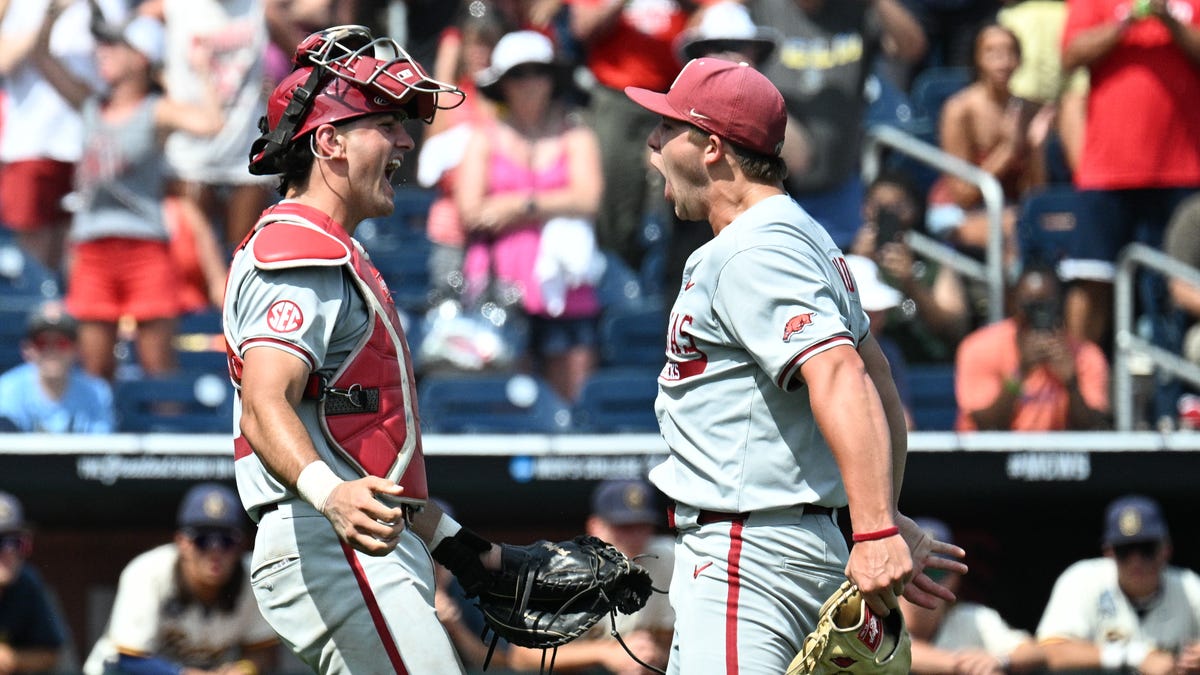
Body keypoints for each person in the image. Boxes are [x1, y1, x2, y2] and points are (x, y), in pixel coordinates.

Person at [623, 57, 965, 672]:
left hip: (746, 555)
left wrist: (876, 528)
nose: (651, 143)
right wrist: (877, 513)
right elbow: (878, 383)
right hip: (794, 542)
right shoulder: (807, 236)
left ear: (711, 147)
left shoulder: (751, 248)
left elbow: (841, 374)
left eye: (667, 127)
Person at [224, 24, 535, 674]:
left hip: (358, 539)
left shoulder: (334, 250)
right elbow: (263, 403)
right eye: (385, 123)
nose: (403, 140)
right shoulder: (299, 249)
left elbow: (362, 452)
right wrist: (328, 495)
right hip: (331, 539)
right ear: (329, 141)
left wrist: (458, 547)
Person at [32, 7, 223, 382]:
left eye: (114, 45)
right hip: (92, 249)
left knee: (158, 367)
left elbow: (211, 124)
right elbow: (42, 57)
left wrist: (202, 70)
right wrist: (50, 16)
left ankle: (168, 438)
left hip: (145, 247)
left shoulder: (155, 111)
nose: (102, 50)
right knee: (95, 367)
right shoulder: (89, 104)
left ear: (140, 58)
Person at [456, 29, 605, 403]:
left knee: (575, 399)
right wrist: (557, 201)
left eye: (537, 71)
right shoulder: (483, 137)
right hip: (499, 288)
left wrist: (514, 206)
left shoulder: (577, 135)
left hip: (568, 291)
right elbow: (471, 212)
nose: (529, 83)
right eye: (518, 74)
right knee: (506, 404)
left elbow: (589, 199)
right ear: (503, 83)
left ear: (552, 78)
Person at [1058, 0, 1200, 356]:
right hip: (1107, 171)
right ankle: (1080, 385)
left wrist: (1168, 20)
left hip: (1180, 170)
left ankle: (1176, 394)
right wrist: (1127, 21)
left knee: (1179, 286)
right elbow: (1072, 54)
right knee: (1092, 280)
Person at [748, 0, 928, 250]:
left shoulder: (857, 12)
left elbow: (912, 48)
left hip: (840, 185)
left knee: (847, 276)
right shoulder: (763, 8)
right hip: (774, 186)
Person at [83, 483, 278, 675]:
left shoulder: (254, 575)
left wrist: (246, 668)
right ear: (182, 543)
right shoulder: (148, 571)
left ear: (241, 545)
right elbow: (128, 657)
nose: (215, 551)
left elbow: (261, 648)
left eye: (226, 540)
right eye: (203, 540)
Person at [0, 0, 126, 273]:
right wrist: (52, 13)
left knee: (84, 254)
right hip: (32, 146)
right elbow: (5, 61)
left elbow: (120, 67)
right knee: (29, 261)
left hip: (92, 148)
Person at [566, 0, 691, 271]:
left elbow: (721, 10)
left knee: (682, 190)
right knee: (614, 192)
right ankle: (619, 275)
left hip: (673, 95)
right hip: (616, 98)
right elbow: (582, 28)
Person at [507, 479, 675, 673]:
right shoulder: (564, 571)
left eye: (643, 526)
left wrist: (655, 654)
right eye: (624, 527)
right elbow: (520, 656)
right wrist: (605, 653)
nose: (636, 536)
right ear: (595, 527)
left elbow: (667, 637)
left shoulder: (666, 557)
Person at [927, 23, 1053, 266]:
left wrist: (1036, 149)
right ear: (977, 58)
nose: (1002, 62)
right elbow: (962, 195)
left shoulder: (1028, 110)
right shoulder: (959, 110)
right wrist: (1007, 151)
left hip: (1011, 210)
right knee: (1020, 230)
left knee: (1050, 222)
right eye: (992, 53)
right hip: (957, 212)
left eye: (1009, 53)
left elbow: (1037, 193)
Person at [1036, 494, 1200, 674]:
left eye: (1146, 548)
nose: (1136, 561)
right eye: (1125, 550)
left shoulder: (1188, 586)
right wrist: (1133, 656)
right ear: (1109, 552)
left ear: (1166, 549)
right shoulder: (1082, 579)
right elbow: (1047, 653)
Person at [954, 263, 1110, 431]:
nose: (1039, 314)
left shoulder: (1086, 355)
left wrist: (1072, 384)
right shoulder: (979, 348)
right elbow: (986, 425)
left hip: (1057, 455)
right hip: (990, 456)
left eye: (1047, 305)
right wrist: (1020, 373)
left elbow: (1093, 429)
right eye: (1031, 305)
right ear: (1013, 302)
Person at [849, 170, 972, 364]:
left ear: (915, 209)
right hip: (870, 364)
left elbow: (955, 329)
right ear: (865, 208)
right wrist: (857, 263)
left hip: (925, 365)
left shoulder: (934, 261)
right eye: (879, 206)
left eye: (898, 206)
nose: (888, 213)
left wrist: (911, 282)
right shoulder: (847, 257)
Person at [901, 518, 1048, 675]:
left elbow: (1036, 652)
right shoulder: (879, 612)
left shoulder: (972, 617)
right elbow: (901, 651)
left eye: (936, 571)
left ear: (954, 579)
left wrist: (1000, 661)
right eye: (913, 569)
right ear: (897, 571)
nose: (925, 580)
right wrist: (965, 666)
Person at [0, 301, 114, 433]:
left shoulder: (97, 393)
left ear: (76, 349)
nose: (52, 350)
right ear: (27, 349)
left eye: (61, 343)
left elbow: (101, 446)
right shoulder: (6, 389)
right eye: (41, 343)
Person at [0, 490, 66, 675]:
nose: (9, 552)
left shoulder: (26, 582)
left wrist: (13, 658)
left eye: (17, 542)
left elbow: (51, 653)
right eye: (0, 541)